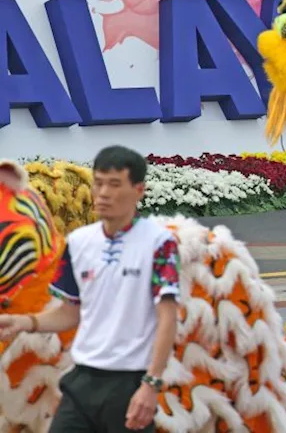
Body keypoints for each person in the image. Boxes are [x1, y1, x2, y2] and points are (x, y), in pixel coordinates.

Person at [0, 146, 180, 433]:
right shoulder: (80, 242)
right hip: (81, 382)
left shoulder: (159, 244)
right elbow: (70, 313)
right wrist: (25, 322)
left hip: (130, 384)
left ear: (138, 190)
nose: (104, 193)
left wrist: (151, 384)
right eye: (98, 183)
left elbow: (167, 318)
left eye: (114, 184)